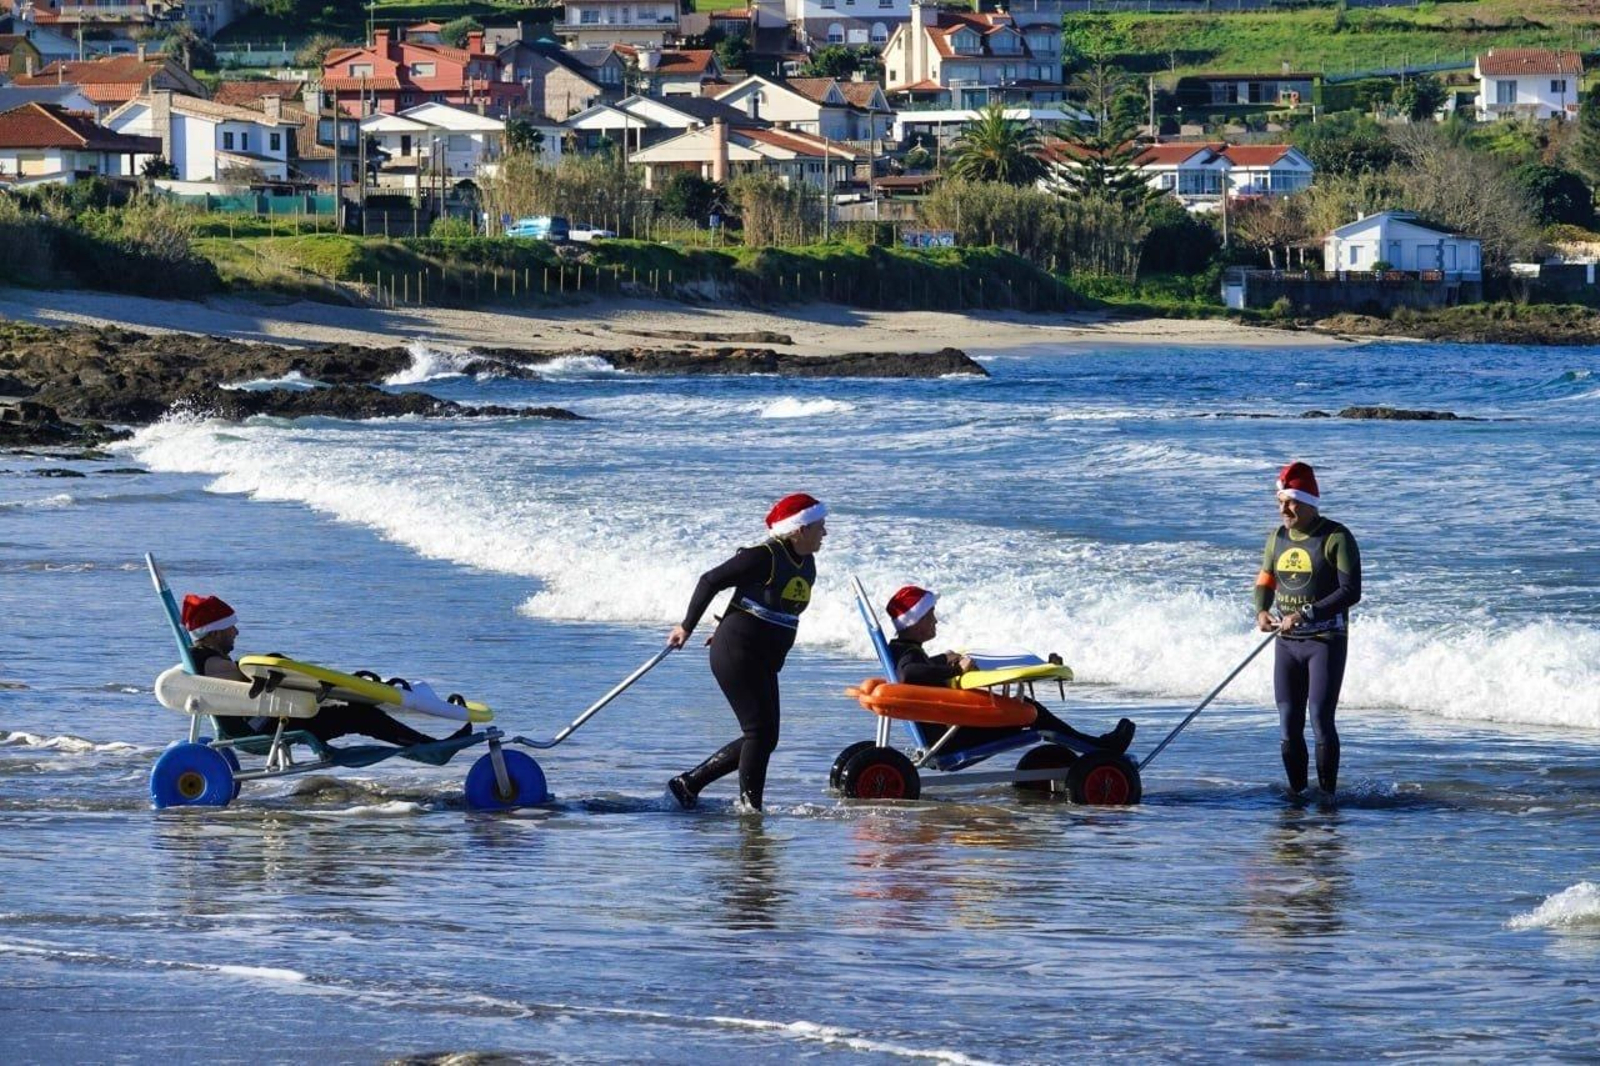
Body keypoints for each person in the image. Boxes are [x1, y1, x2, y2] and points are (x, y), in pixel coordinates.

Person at [665, 493, 827, 811]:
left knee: (766, 737)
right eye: (820, 526)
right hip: (738, 651)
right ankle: (751, 810)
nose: (825, 532)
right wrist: (687, 626)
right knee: (759, 733)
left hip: (763, 657)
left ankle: (689, 784)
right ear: (799, 530)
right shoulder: (763, 555)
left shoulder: (806, 562)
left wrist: (727, 622)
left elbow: (757, 597)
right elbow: (711, 580)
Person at [181, 593, 468, 747]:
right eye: (231, 627)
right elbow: (244, 680)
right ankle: (429, 749)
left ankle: (423, 741)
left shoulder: (204, 658)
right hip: (271, 727)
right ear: (215, 632)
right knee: (360, 714)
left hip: (270, 720)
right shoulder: (211, 663)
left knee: (353, 708)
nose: (237, 632)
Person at [883, 584, 1135, 754]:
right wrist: (955, 671)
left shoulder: (900, 648)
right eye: (930, 615)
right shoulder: (909, 656)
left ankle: (1092, 745)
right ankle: (1100, 749)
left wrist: (942, 659)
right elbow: (909, 674)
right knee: (1032, 712)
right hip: (950, 738)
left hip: (942, 731)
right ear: (915, 623)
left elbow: (916, 668)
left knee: (1026, 707)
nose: (935, 620)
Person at [1253, 461, 1362, 797]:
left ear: (1310, 502)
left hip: (1324, 640)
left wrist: (1306, 613)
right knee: (1288, 723)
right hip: (1285, 641)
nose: (1284, 509)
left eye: (1291, 502)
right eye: (1281, 502)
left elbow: (1351, 591)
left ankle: (1328, 799)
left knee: (1319, 718)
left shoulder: (1336, 537)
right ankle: (1297, 797)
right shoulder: (1277, 538)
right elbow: (1266, 578)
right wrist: (1261, 610)